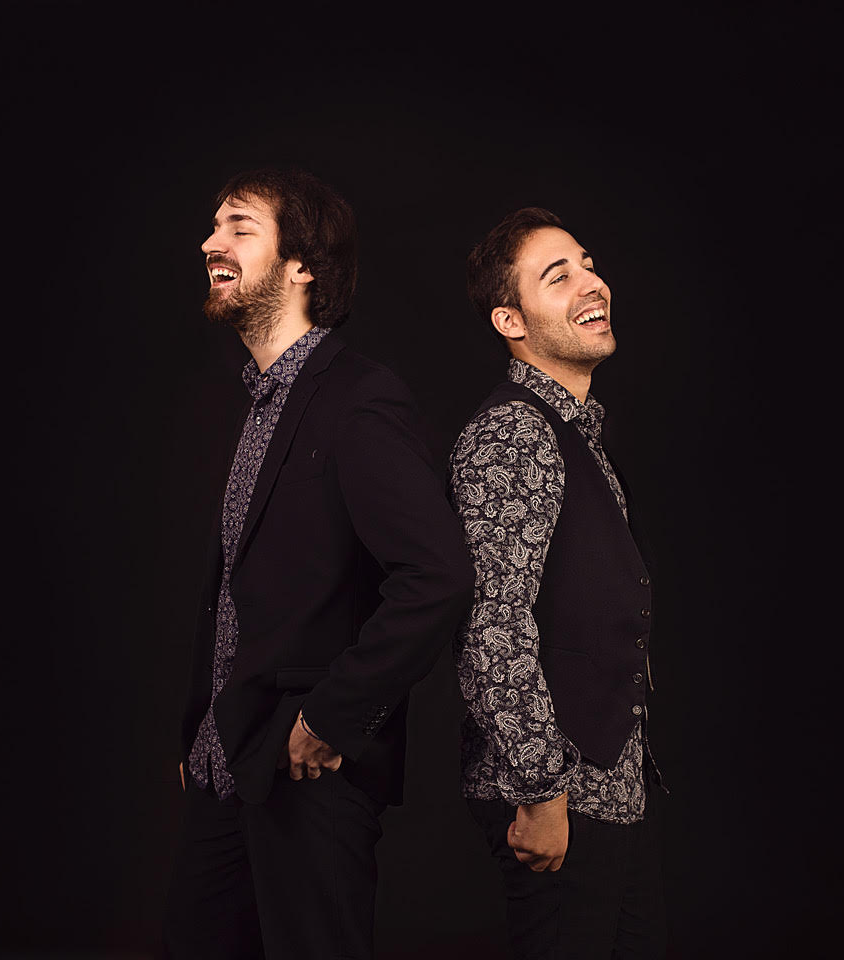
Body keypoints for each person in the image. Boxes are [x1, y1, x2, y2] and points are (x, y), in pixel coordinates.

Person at [164, 167, 474, 960]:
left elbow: (436, 576)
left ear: (302, 265)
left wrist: (332, 719)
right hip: (225, 766)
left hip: (306, 772)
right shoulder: (262, 404)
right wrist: (203, 726)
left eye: (239, 227)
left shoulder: (357, 397)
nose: (210, 243)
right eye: (213, 226)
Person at [449, 208, 668, 958]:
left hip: (612, 791)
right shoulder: (514, 434)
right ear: (509, 321)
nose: (592, 283)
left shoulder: (576, 431)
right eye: (558, 275)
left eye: (588, 265)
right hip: (558, 797)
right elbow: (491, 625)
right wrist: (543, 792)